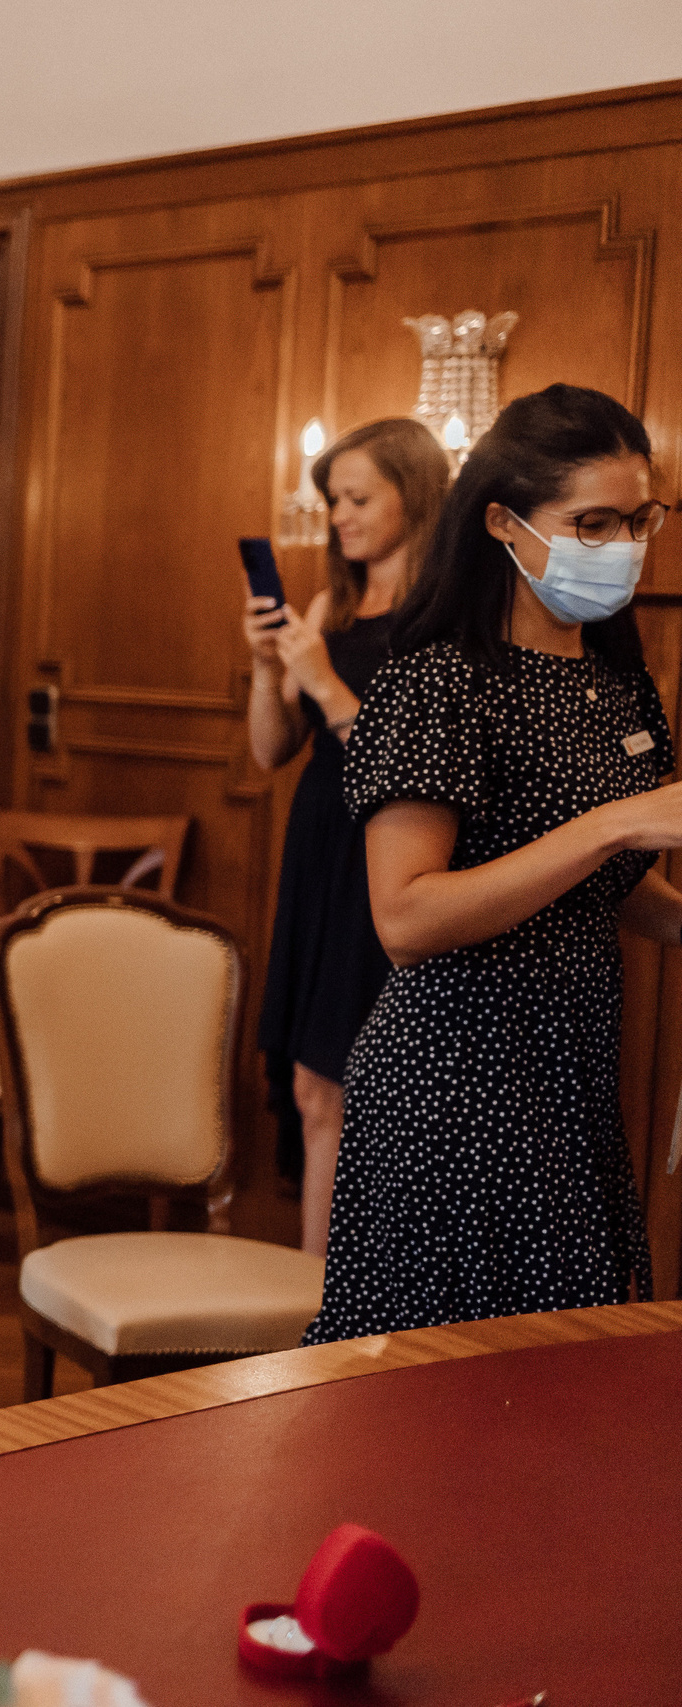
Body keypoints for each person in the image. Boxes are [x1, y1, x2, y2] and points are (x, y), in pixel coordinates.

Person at [305, 383, 677, 1345]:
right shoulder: (437, 681)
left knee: (559, 1395)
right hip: (453, 1083)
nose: (625, 543)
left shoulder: (617, 682)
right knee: (437, 1405)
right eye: (593, 521)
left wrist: (667, 904)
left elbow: (606, 881)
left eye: (641, 517)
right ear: (503, 523)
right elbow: (407, 917)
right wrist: (614, 825)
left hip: (574, 1077)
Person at [246, 418, 451, 1256]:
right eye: (334, 500)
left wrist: (327, 686)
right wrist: (269, 670)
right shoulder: (332, 603)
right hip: (322, 854)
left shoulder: (442, 622)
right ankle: (316, 1300)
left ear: (418, 492)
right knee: (311, 1084)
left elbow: (408, 767)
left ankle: (351, 1303)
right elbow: (269, 750)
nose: (340, 516)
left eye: (360, 497)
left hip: (391, 854)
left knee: (360, 1084)